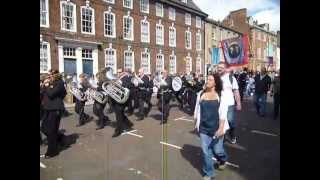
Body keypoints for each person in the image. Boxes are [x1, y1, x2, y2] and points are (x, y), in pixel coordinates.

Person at [194, 73, 229, 180]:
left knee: (218, 150)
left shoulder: (220, 94)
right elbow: (197, 110)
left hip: (216, 128)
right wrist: (195, 124)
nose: (207, 81)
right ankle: (209, 173)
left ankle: (223, 159)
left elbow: (223, 113)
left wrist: (221, 128)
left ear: (215, 83)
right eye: (207, 79)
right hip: (204, 129)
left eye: (210, 79)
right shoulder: (201, 94)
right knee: (206, 152)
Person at [40, 69, 67, 158]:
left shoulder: (60, 83)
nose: (49, 76)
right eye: (49, 75)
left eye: (50, 75)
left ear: (56, 75)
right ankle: (59, 137)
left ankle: (52, 152)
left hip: (55, 109)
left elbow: (51, 94)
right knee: (43, 128)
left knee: (51, 131)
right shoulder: (50, 84)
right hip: (47, 109)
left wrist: (47, 86)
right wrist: (43, 86)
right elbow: (43, 94)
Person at [217, 62, 241, 144]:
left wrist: (238, 103)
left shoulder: (231, 78)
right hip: (219, 104)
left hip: (229, 104)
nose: (219, 69)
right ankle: (222, 137)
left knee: (230, 121)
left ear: (225, 68)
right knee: (220, 120)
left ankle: (232, 134)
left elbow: (236, 91)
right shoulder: (216, 78)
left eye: (221, 67)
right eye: (218, 67)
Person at [110, 68, 134, 137]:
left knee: (118, 114)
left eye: (120, 72)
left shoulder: (128, 78)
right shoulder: (116, 78)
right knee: (119, 113)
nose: (118, 73)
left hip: (124, 99)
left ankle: (118, 130)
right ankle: (128, 123)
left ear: (123, 72)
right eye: (117, 72)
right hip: (116, 98)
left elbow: (130, 86)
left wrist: (121, 84)